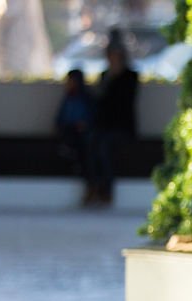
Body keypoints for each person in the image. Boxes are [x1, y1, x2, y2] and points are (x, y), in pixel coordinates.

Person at [87, 30, 139, 206]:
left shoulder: (130, 77)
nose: (112, 58)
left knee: (103, 146)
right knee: (91, 142)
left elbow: (123, 103)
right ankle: (93, 187)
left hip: (122, 128)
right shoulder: (105, 76)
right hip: (103, 127)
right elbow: (100, 103)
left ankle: (106, 190)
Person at [54, 69, 95, 203]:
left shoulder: (86, 99)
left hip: (83, 135)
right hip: (68, 133)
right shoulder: (68, 99)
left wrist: (84, 125)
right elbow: (60, 119)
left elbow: (91, 119)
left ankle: (91, 186)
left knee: (86, 149)